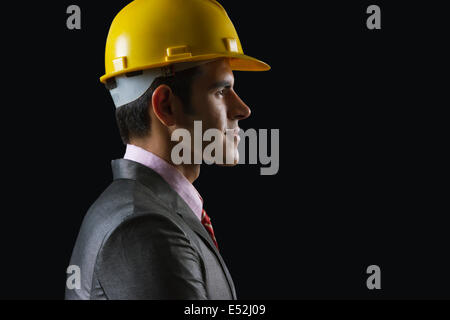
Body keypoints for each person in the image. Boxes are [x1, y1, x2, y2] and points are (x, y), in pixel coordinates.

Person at [65, 0, 270, 300]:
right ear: (166, 106)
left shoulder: (150, 211)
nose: (243, 109)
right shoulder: (141, 228)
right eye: (221, 91)